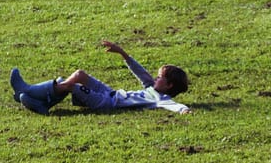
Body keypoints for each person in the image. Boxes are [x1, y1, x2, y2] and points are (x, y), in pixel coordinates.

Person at [10, 40, 190, 115]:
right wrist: (122, 53)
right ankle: (42, 102)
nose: (155, 78)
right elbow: (139, 71)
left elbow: (173, 105)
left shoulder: (160, 98)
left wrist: (183, 110)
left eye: (160, 78)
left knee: (73, 86)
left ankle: (28, 91)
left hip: (107, 103)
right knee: (79, 75)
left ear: (168, 85)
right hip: (109, 93)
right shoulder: (152, 87)